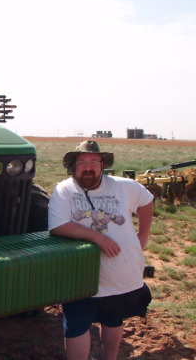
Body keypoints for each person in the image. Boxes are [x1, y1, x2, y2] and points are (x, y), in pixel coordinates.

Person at [48, 140, 154, 360]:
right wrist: (97, 237)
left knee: (113, 319)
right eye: (82, 162)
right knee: (77, 326)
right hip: (80, 275)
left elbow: (146, 201)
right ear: (73, 166)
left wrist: (143, 236)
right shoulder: (64, 190)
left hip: (119, 273)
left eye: (94, 161)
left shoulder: (124, 186)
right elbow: (58, 226)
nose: (88, 167)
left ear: (102, 164)